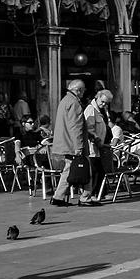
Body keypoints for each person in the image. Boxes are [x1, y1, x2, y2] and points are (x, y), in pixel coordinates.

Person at [48, 78, 90, 207]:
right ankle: (85, 197)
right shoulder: (74, 103)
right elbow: (75, 127)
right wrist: (79, 147)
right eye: (83, 90)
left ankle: (59, 196)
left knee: (69, 170)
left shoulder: (65, 101)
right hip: (72, 143)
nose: (84, 93)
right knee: (84, 168)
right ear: (78, 90)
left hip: (65, 142)